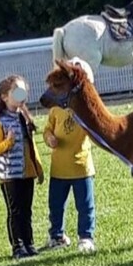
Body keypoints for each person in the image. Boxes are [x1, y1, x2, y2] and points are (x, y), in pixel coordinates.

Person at [0, 75, 43, 260]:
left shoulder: (24, 117)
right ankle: (17, 246)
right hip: (9, 173)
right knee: (15, 210)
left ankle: (29, 243)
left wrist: (37, 166)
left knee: (27, 209)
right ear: (4, 97)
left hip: (26, 171)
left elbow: (31, 144)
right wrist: (8, 142)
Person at [42, 58, 96, 254]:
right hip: (59, 168)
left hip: (81, 166)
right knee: (55, 205)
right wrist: (49, 138)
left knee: (85, 206)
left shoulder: (85, 110)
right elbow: (47, 129)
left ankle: (86, 236)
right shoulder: (56, 109)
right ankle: (57, 235)